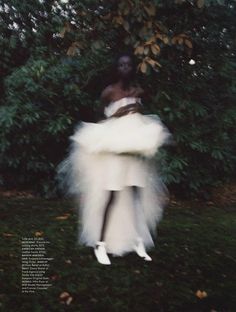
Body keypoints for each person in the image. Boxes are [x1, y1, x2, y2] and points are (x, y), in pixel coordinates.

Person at [56, 52, 171, 265]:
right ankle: (100, 244)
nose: (125, 68)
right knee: (113, 195)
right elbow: (99, 118)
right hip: (115, 150)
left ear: (133, 68)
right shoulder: (109, 92)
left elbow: (139, 116)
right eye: (121, 65)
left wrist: (138, 109)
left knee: (136, 195)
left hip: (133, 150)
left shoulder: (139, 90)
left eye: (129, 65)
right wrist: (116, 115)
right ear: (117, 68)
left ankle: (138, 241)